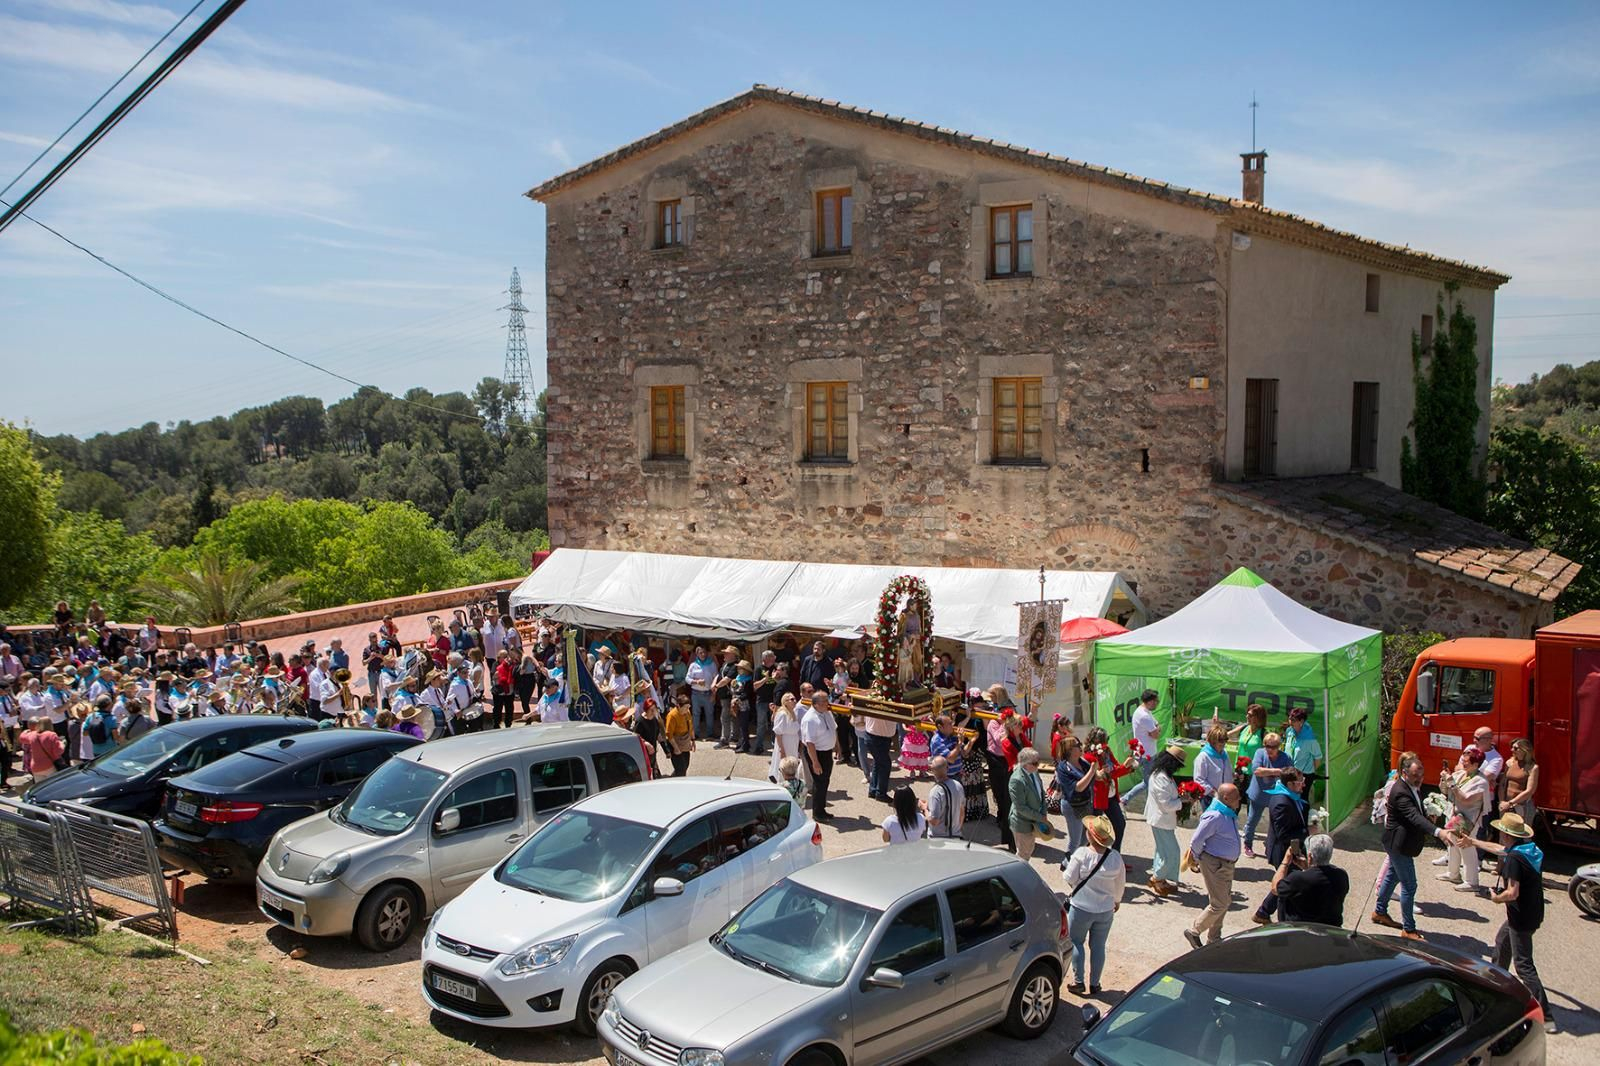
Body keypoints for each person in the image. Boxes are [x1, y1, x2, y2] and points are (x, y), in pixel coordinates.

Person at [1451, 811, 1555, 1034]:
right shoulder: (1528, 850)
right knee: (1501, 943)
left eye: (1500, 833)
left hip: (1520, 917)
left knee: (1524, 966)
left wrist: (1495, 897)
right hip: (1533, 912)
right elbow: (1499, 850)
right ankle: (1495, 988)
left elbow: (1513, 892)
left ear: (1507, 835)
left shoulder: (1515, 861)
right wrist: (1472, 842)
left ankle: (1546, 1016)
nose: (1499, 836)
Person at [1372, 751, 1452, 940]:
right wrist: (1438, 831)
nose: (1419, 779)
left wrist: (1429, 817)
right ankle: (1408, 929)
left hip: (1400, 842)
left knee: (1391, 877)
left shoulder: (1411, 787)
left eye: (1421, 775)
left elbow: (1417, 813)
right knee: (1409, 885)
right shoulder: (1400, 792)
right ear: (1405, 773)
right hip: (1399, 845)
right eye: (1415, 775)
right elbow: (1412, 816)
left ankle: (1379, 912)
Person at [1062, 814, 1126, 997]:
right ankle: (1095, 983)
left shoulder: (1082, 854)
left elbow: (1068, 877)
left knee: (1076, 942)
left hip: (1081, 908)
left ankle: (1078, 981)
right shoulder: (1115, 857)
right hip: (1105, 909)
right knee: (1098, 946)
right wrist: (1117, 901)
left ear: (1090, 835)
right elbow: (1120, 884)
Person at [1185, 783, 1243, 949]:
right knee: (1219, 903)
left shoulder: (1226, 812)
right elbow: (1196, 840)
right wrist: (1194, 858)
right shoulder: (1215, 816)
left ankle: (1214, 938)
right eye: (1236, 796)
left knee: (1223, 901)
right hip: (1215, 863)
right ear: (1226, 798)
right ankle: (1194, 930)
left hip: (1224, 864)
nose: (1240, 799)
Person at [1252, 767, 1309, 924]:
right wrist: (1307, 830)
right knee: (1287, 884)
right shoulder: (1281, 802)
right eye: (1300, 782)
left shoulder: (1291, 797)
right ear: (1290, 784)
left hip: (1293, 848)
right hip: (1283, 851)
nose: (1303, 785)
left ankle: (1263, 912)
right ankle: (1270, 914)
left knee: (1286, 881)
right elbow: (1283, 835)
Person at [1435, 747, 1489, 892]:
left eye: (1467, 762)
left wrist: (1451, 782)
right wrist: (1444, 780)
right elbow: (1445, 791)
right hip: (1456, 817)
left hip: (1469, 820)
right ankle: (1453, 873)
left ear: (1476, 764)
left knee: (1466, 846)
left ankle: (1472, 882)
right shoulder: (1460, 774)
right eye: (1463, 761)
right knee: (1452, 843)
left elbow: (1464, 798)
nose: (1463, 764)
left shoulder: (1481, 781)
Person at [1273, 833, 1349, 927]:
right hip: (1330, 928)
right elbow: (1319, 881)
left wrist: (1285, 861)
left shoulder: (1297, 879)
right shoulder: (1341, 875)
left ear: (1309, 856)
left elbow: (1275, 889)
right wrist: (1307, 868)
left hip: (1299, 930)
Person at [1083, 724, 1136, 850]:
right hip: (1098, 797)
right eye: (1104, 741)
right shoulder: (1089, 756)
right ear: (1096, 742)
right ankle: (1091, 855)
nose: (1106, 744)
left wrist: (1126, 766)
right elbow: (1108, 774)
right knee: (1094, 830)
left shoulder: (1107, 751)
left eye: (1106, 741)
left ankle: (1115, 855)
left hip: (1111, 796)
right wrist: (1125, 768)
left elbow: (1116, 767)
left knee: (1120, 824)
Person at [1244, 732, 1293, 858]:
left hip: (1276, 797)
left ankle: (1272, 846)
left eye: (1274, 746)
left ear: (1279, 746)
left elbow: (1290, 774)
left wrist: (1268, 772)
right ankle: (1247, 844)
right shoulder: (1260, 753)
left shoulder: (1285, 757)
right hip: (1258, 794)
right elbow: (1257, 770)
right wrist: (1278, 771)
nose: (1270, 749)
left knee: (1276, 823)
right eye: (1268, 746)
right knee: (1252, 821)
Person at [1146, 745, 1186, 896]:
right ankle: (1156, 877)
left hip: (1162, 819)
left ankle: (1160, 880)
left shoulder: (1162, 774)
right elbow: (1166, 804)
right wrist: (1183, 800)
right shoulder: (1161, 778)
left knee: (1162, 851)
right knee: (1172, 852)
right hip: (1161, 819)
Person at [801, 691, 838, 823]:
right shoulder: (810, 719)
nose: (827, 704)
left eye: (827, 701)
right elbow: (809, 743)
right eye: (824, 702)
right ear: (815, 704)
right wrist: (815, 762)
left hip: (827, 752)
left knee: (825, 781)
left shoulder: (826, 712)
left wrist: (837, 746)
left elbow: (833, 729)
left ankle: (821, 809)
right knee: (819, 782)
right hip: (816, 753)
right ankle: (817, 813)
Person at [1008, 747, 1051, 861]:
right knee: (1023, 854)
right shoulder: (1017, 780)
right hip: (1022, 823)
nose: (1038, 765)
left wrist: (1043, 812)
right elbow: (1021, 808)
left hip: (1034, 820)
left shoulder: (1033, 771)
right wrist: (1041, 817)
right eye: (1035, 763)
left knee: (1028, 850)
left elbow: (1040, 793)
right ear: (1025, 764)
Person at [1054, 734, 1094, 855]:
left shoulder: (1082, 762)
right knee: (1075, 841)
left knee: (1086, 837)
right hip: (1072, 807)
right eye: (1077, 745)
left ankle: (1074, 860)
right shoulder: (1063, 767)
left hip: (1085, 804)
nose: (1081, 747)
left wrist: (1104, 771)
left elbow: (1096, 776)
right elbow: (1078, 787)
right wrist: (1092, 771)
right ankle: (1067, 864)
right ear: (1070, 749)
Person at [1122, 688, 1162, 806]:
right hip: (1146, 755)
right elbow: (1155, 734)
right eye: (1155, 701)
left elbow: (1157, 726)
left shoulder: (1145, 712)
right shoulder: (1144, 715)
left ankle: (1126, 800)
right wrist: (1155, 731)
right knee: (1148, 782)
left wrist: (1156, 730)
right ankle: (1125, 800)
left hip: (1147, 753)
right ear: (1148, 701)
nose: (1156, 703)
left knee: (1148, 782)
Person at [1283, 705, 1323, 801]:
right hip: (1289, 772)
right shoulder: (1289, 732)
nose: (1290, 722)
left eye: (1293, 720)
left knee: (1302, 801)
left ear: (1301, 721)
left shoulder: (1310, 740)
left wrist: (1308, 772)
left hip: (1304, 775)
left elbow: (1318, 759)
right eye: (1290, 719)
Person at [1499, 738, 1539, 826]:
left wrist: (1511, 803)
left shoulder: (1533, 767)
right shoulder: (1510, 763)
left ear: (1525, 750)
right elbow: (1502, 784)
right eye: (1512, 747)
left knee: (1523, 836)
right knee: (1505, 834)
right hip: (1506, 805)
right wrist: (1502, 801)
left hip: (1522, 806)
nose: (1512, 750)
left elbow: (1530, 791)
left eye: (1516, 748)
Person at [926, 755, 966, 839]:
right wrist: (958, 830)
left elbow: (934, 821)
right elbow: (962, 812)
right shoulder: (958, 785)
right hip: (956, 836)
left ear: (932, 771)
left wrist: (924, 809)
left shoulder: (935, 792)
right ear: (947, 768)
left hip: (938, 839)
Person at [768, 692, 801, 784]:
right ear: (785, 701)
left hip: (793, 743)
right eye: (791, 699)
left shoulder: (793, 713)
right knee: (783, 764)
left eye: (795, 699)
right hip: (785, 743)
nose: (794, 701)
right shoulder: (782, 714)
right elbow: (778, 733)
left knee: (792, 764)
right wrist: (781, 749)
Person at [862, 711, 897, 800]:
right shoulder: (881, 706)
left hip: (875, 737)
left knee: (878, 762)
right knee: (885, 764)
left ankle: (873, 790)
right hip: (877, 738)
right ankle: (880, 793)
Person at [685, 645, 716, 740]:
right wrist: (696, 682)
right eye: (700, 653)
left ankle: (710, 733)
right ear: (697, 654)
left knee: (710, 713)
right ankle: (696, 734)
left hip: (708, 693)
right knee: (695, 714)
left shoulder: (712, 664)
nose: (703, 654)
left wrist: (714, 693)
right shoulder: (693, 665)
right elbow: (687, 678)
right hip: (696, 693)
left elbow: (716, 677)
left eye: (704, 652)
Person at [1193, 722, 1229, 801]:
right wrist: (1213, 792)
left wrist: (1234, 776)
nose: (1223, 743)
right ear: (1213, 740)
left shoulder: (1224, 753)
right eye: (1220, 740)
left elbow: (1226, 773)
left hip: (1224, 796)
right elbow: (1198, 780)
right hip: (1209, 797)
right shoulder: (1203, 757)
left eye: (1225, 739)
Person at [664, 690, 695, 777]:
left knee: (685, 765)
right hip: (675, 742)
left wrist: (693, 740)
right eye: (686, 707)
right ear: (678, 706)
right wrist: (676, 748)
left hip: (685, 742)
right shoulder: (672, 716)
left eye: (688, 707)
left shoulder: (687, 713)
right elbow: (669, 734)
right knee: (680, 769)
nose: (687, 709)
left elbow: (691, 726)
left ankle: (673, 778)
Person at [633, 698, 664, 777]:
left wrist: (666, 750)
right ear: (646, 710)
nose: (653, 712)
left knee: (656, 775)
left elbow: (658, 735)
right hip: (643, 753)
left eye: (654, 709)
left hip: (652, 753)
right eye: (651, 710)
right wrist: (646, 744)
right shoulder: (640, 721)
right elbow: (635, 737)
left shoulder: (654, 720)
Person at [898, 712, 931, 777]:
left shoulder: (923, 715)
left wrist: (924, 728)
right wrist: (907, 728)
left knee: (921, 754)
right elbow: (904, 723)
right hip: (911, 737)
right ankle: (912, 771)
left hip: (920, 737)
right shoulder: (910, 715)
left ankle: (922, 770)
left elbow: (927, 724)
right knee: (911, 755)